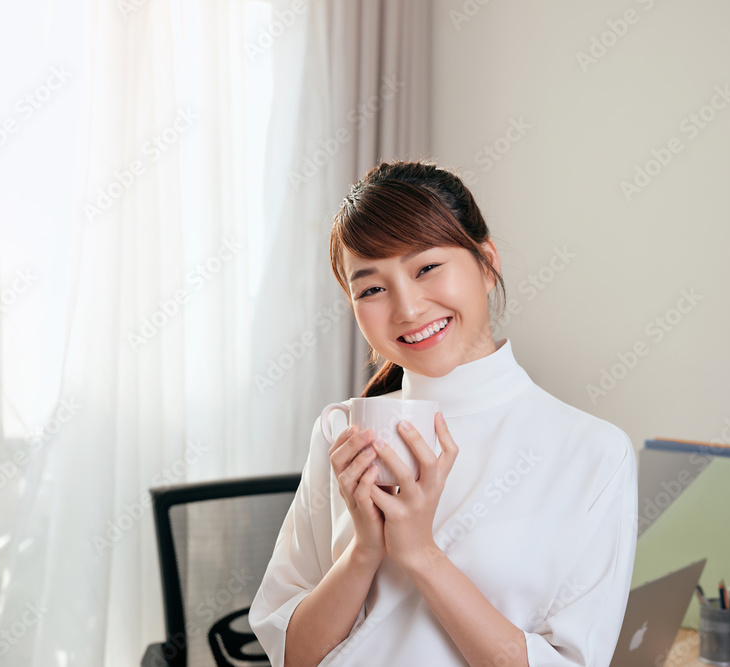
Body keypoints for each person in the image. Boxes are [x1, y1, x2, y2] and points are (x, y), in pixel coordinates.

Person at [250, 160, 638, 666]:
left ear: (486, 261)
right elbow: (294, 656)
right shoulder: (343, 432)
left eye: (426, 267)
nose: (407, 309)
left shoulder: (592, 453)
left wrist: (420, 554)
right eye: (371, 288)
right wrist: (366, 549)